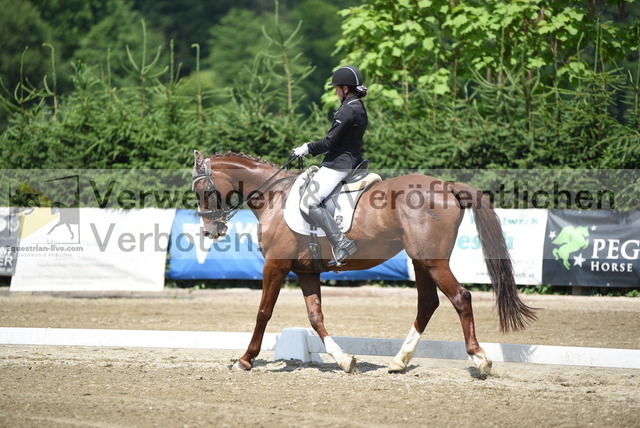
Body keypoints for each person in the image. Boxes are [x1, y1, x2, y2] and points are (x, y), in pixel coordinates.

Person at [291, 65, 368, 267]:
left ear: (345, 88)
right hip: (353, 160)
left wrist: (306, 148)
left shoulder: (347, 110)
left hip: (338, 164)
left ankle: (342, 243)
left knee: (309, 202)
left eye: (336, 88)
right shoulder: (358, 106)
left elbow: (328, 143)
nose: (335, 92)